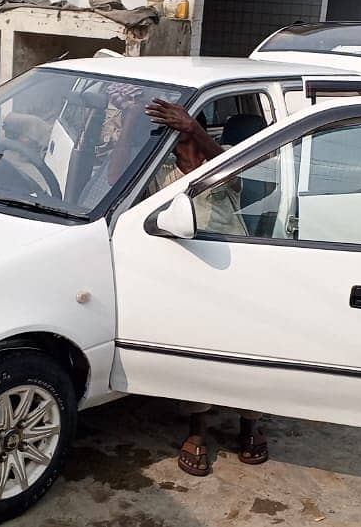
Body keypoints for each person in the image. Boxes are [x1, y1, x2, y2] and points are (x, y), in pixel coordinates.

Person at [144, 97, 269, 477]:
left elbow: (231, 175)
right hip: (188, 271)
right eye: (174, 136)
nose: (179, 144)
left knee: (248, 351)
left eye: (182, 134)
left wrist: (193, 130)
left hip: (237, 268)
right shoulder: (160, 170)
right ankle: (198, 430)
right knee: (198, 351)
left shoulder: (224, 155)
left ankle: (251, 424)